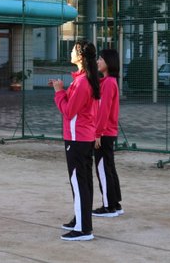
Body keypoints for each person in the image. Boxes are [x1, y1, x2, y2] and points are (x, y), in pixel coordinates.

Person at [50, 40, 100, 241]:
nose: (70, 52)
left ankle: (83, 229)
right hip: (82, 137)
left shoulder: (82, 82)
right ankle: (81, 220)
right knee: (83, 182)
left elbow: (69, 111)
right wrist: (62, 90)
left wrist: (58, 92)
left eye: (73, 50)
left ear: (80, 56)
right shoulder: (85, 80)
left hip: (77, 138)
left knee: (79, 183)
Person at [92, 48, 124, 217]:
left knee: (103, 169)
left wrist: (98, 133)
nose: (98, 61)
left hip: (104, 134)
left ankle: (108, 206)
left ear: (109, 62)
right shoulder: (107, 81)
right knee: (108, 168)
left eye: (101, 59)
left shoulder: (109, 83)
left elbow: (104, 110)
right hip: (107, 133)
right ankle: (115, 204)